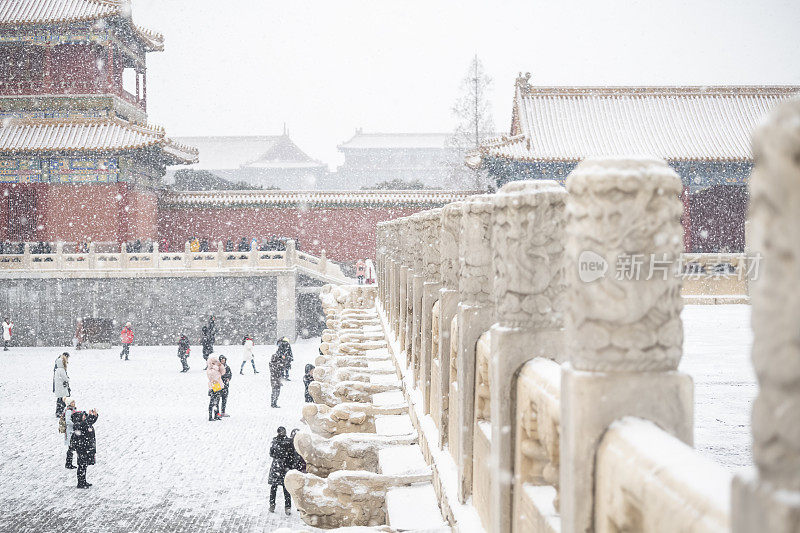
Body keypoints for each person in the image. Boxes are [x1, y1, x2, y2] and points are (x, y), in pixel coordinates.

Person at [268, 427, 294, 515]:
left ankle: (272, 505)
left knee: (274, 487)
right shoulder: (289, 442)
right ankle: (288, 507)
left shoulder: (275, 442)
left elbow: (271, 453)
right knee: (286, 487)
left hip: (276, 466)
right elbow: (292, 455)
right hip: (285, 466)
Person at [71, 409, 99, 488]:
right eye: (84, 415)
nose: (85, 416)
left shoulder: (85, 423)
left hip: (86, 447)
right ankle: (80, 483)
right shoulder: (78, 425)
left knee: (84, 465)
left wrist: (95, 415)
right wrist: (90, 416)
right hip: (82, 448)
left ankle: (83, 481)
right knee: (81, 465)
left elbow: (90, 421)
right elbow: (86, 423)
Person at [206, 355, 224, 421]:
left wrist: (220, 366)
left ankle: (216, 415)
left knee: (217, 401)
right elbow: (212, 376)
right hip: (213, 385)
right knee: (212, 401)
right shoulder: (210, 369)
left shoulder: (217, 368)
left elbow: (223, 372)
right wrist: (215, 368)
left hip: (218, 385)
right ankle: (210, 416)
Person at [53, 352, 71, 417]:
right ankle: (62, 411)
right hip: (62, 387)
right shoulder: (62, 369)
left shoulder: (57, 369)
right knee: (64, 399)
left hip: (58, 387)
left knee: (59, 399)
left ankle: (58, 411)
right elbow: (65, 378)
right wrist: (67, 380)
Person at [62, 398, 77, 469]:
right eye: (72, 402)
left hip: (72, 431)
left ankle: (69, 463)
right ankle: (68, 463)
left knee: (71, 447)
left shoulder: (72, 409)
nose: (74, 403)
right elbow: (68, 421)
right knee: (71, 447)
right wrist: (75, 424)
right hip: (70, 431)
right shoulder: (69, 411)